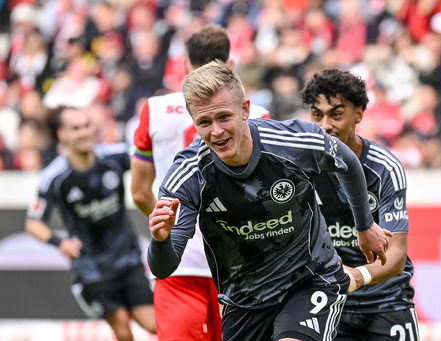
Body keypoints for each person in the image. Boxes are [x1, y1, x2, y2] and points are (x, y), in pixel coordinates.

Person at [147, 60, 392, 341]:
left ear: (245, 110)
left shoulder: (295, 142)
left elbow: (348, 162)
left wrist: (364, 225)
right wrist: (161, 240)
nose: (216, 131)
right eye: (205, 122)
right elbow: (162, 268)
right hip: (244, 300)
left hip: (311, 280)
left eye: (224, 117)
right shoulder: (188, 176)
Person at [130, 24, 269, 341]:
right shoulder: (257, 114)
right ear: (230, 67)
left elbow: (139, 191)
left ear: (184, 65)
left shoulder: (154, 109)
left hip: (179, 264)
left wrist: (175, 227)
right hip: (241, 261)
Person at [299, 69, 418, 340]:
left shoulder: (385, 168)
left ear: (359, 114)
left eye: (336, 114)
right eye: (317, 115)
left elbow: (397, 256)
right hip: (330, 301)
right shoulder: (300, 166)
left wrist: (357, 276)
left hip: (386, 301)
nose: (325, 125)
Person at [25, 107, 156, 341]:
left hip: (127, 260)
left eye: (87, 125)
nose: (85, 132)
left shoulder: (115, 157)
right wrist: (60, 242)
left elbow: (151, 156)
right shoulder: (54, 176)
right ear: (61, 134)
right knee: (123, 329)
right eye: (76, 128)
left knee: (154, 324)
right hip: (92, 270)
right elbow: (33, 223)